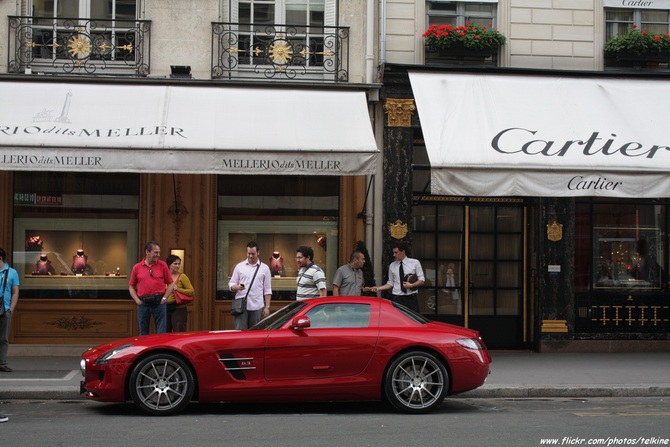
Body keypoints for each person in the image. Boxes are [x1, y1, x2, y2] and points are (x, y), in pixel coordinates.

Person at [128, 241, 173, 335]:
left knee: (161, 332)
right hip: (143, 303)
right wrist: (137, 301)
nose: (158, 255)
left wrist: (164, 298)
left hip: (159, 302)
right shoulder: (137, 267)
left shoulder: (162, 265)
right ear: (147, 252)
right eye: (156, 252)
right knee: (143, 332)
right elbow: (131, 287)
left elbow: (171, 284)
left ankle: (160, 349)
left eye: (159, 252)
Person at [371, 241, 425, 312]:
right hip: (397, 298)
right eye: (393, 252)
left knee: (413, 321)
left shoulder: (415, 263)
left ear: (403, 252)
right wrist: (378, 288)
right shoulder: (392, 265)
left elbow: (422, 280)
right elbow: (390, 283)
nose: (394, 255)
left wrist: (411, 285)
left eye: (396, 252)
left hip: (411, 298)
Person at [229, 242, 272, 330]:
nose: (251, 256)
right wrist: (236, 287)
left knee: (255, 333)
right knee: (239, 331)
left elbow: (267, 289)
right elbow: (231, 283)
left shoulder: (265, 268)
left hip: (257, 305)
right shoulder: (239, 266)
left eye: (253, 254)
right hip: (241, 305)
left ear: (258, 253)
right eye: (249, 253)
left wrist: (267, 307)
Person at [0, 248, 20, 374]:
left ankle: (2, 363)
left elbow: (15, 292)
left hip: (5, 309)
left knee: (3, 338)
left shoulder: (12, 272)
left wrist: (11, 309)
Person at [165, 254, 194, 332]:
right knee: (165, 332)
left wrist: (179, 289)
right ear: (169, 264)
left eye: (179, 264)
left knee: (178, 331)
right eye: (175, 264)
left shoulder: (182, 276)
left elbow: (191, 291)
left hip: (178, 309)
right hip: (165, 307)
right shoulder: (163, 276)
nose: (178, 266)